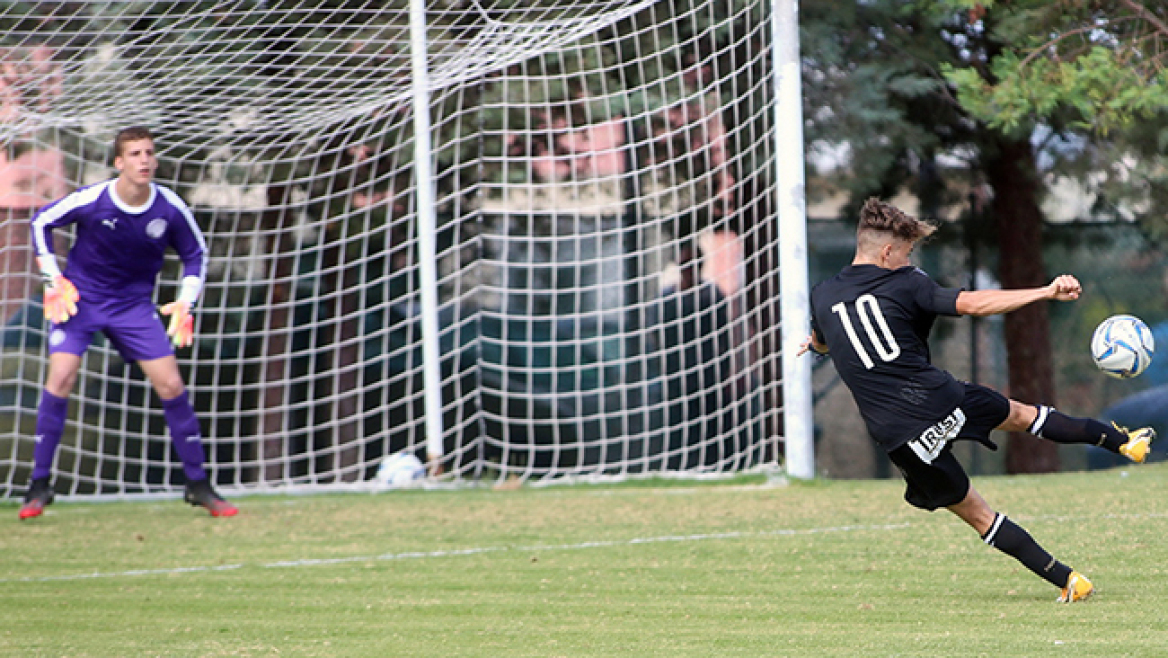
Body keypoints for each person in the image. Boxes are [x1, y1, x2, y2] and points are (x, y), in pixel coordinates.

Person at [802, 198, 1154, 603]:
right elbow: (971, 303)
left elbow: (822, 343)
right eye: (906, 251)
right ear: (886, 252)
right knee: (1027, 416)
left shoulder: (823, 294)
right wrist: (1044, 291)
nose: (908, 259)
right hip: (940, 398)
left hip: (899, 433)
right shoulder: (907, 281)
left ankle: (1069, 580)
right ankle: (1123, 442)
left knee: (979, 515)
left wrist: (812, 344)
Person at [21, 126, 237, 519]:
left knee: (171, 384)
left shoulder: (168, 207)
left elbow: (196, 254)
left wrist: (186, 301)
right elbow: (40, 223)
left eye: (149, 153)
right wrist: (54, 279)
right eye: (135, 154)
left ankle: (199, 485)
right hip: (81, 303)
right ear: (119, 163)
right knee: (61, 378)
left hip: (134, 308)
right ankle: (38, 485)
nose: (144, 161)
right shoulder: (94, 199)